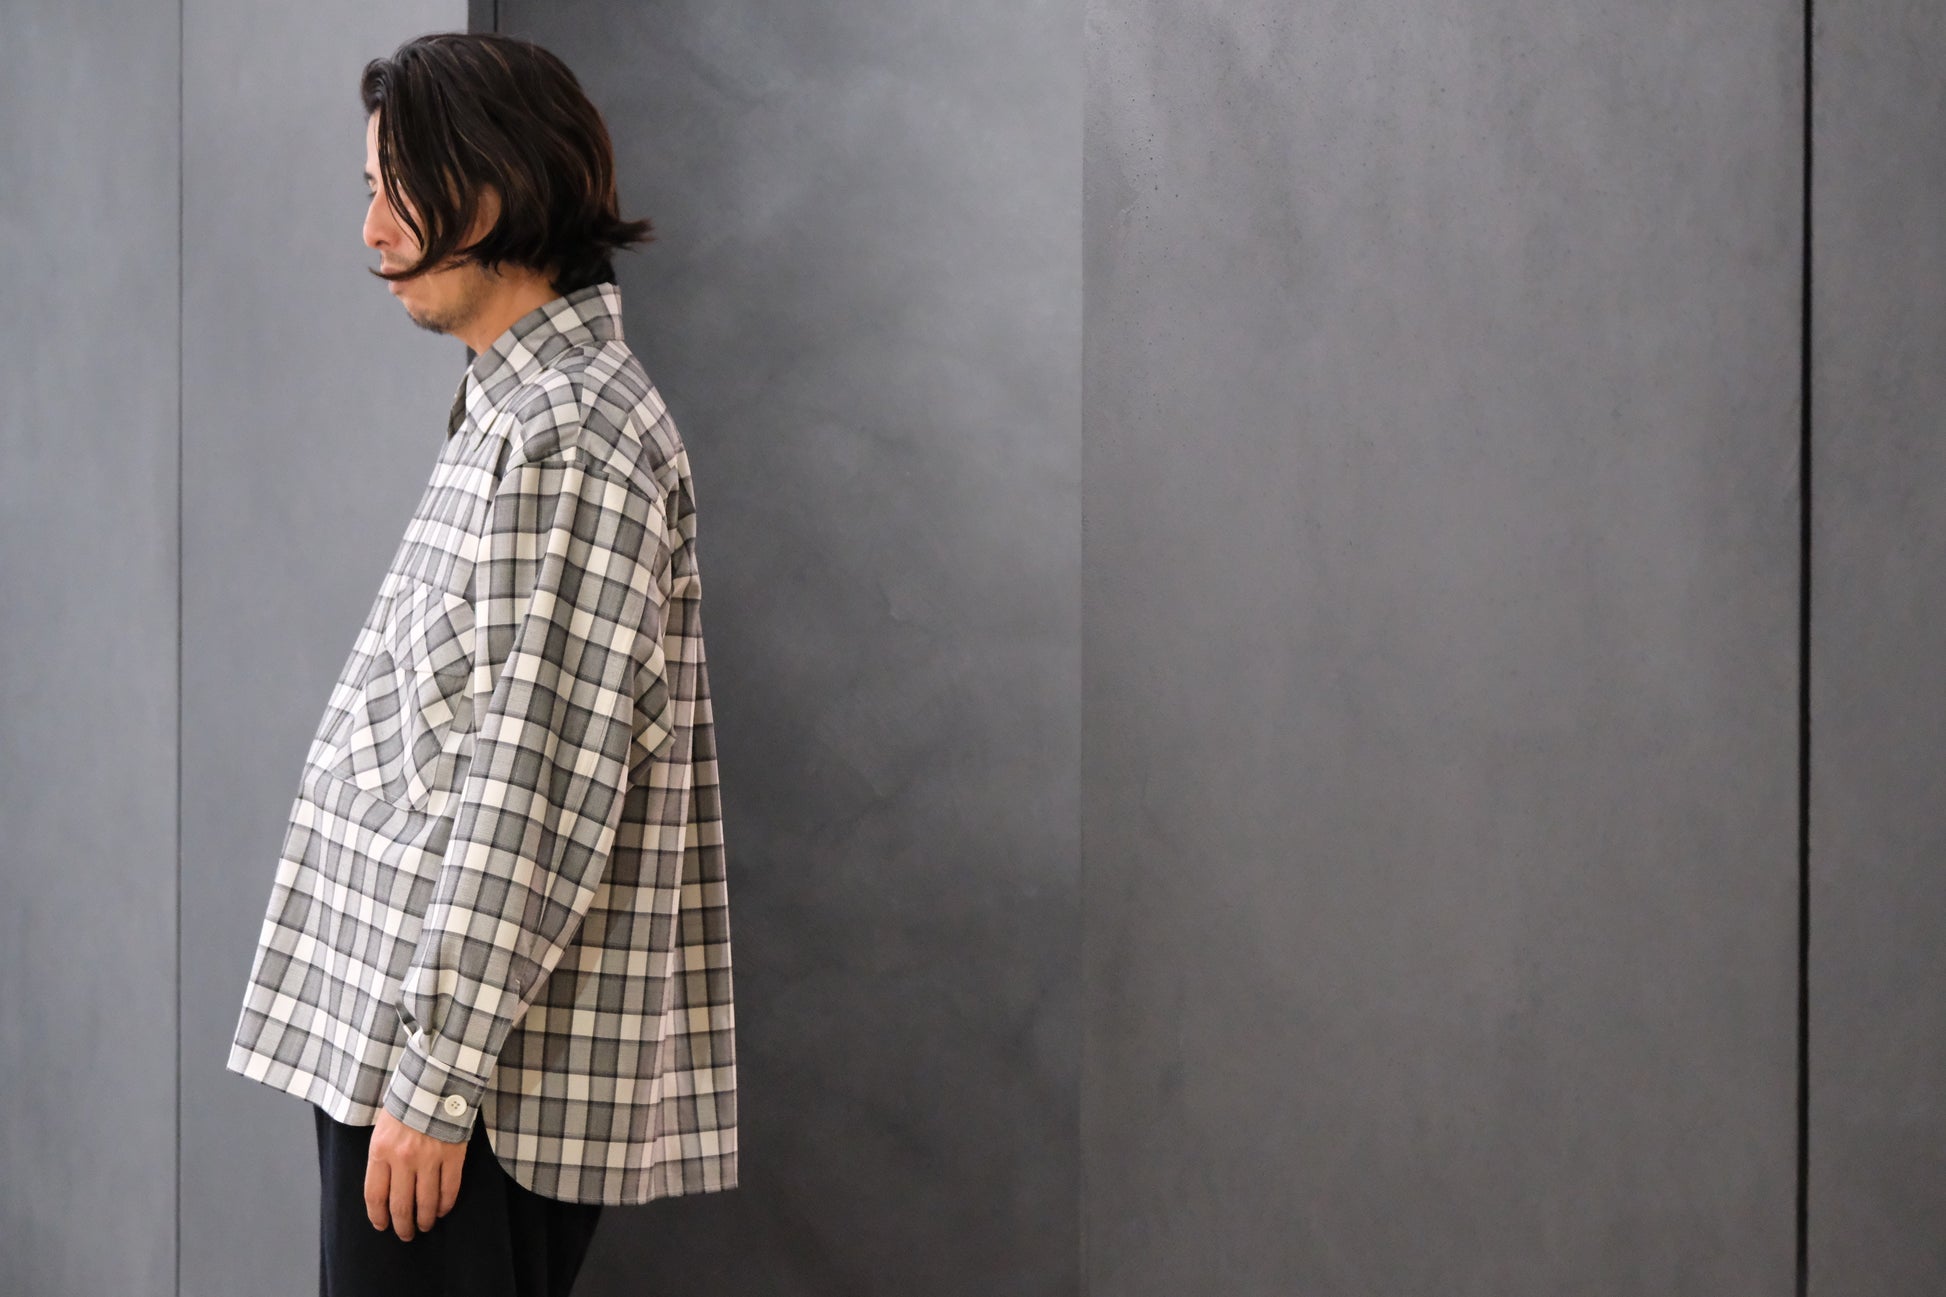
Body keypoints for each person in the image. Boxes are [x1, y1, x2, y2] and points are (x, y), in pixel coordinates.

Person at [224, 31, 738, 1296]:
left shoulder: (569, 435)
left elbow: (534, 794)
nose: (372, 232)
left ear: (497, 186)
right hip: (417, 1062)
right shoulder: (513, 409)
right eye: (371, 191)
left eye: (402, 190)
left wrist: (433, 1083)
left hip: (469, 1096)